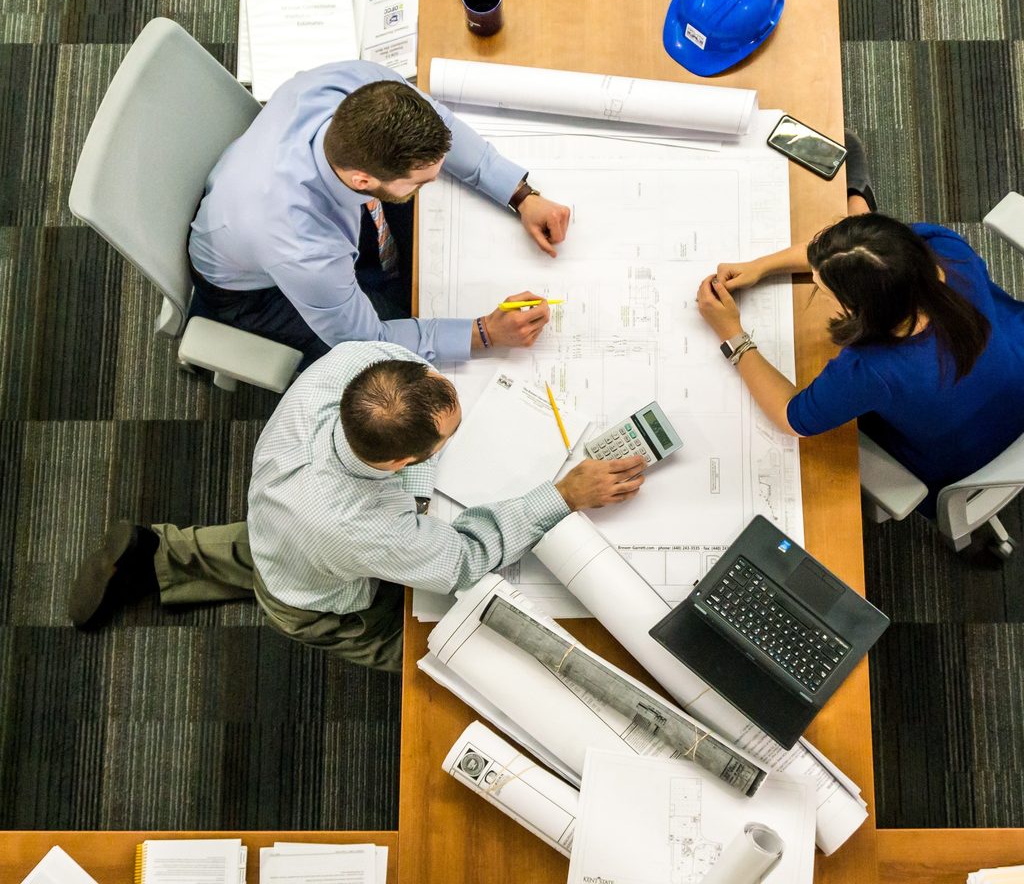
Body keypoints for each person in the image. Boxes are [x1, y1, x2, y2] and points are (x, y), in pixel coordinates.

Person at [68, 341, 646, 672]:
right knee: (435, 650)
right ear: (399, 464)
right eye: (448, 436)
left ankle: (158, 553)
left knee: (278, 546)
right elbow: (463, 561)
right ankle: (169, 562)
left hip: (283, 518)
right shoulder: (359, 527)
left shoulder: (355, 365)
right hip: (318, 597)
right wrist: (562, 495)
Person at [188, 60, 573, 365]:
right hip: (252, 291)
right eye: (421, 181)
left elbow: (444, 126)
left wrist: (520, 194)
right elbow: (368, 341)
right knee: (394, 363)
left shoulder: (360, 84)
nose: (435, 182)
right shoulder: (302, 246)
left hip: (261, 202)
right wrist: (485, 333)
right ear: (362, 180)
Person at [696, 210, 1024, 522]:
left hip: (960, 455)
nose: (816, 285)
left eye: (824, 291)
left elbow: (792, 417)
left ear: (864, 310)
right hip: (1013, 373)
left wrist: (732, 334)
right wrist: (762, 266)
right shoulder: (944, 248)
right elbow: (853, 255)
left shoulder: (872, 370)